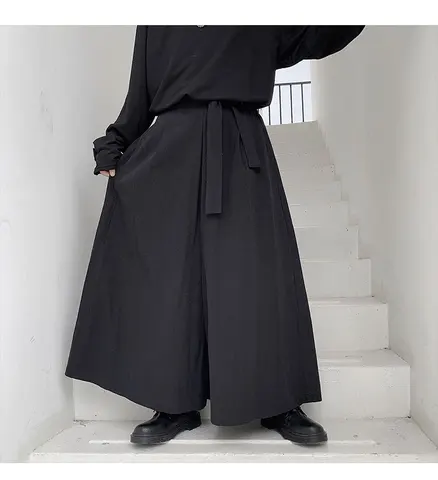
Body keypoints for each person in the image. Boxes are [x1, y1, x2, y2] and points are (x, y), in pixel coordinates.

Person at [65, 25, 365, 446]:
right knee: (173, 282)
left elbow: (320, 33)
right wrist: (116, 142)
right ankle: (174, 403)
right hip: (171, 152)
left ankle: (278, 400)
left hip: (241, 146)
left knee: (256, 278)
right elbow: (140, 92)